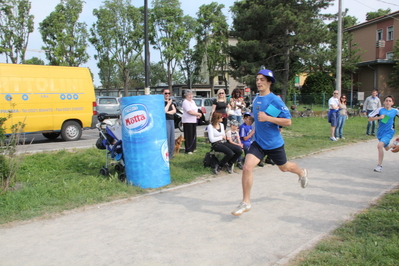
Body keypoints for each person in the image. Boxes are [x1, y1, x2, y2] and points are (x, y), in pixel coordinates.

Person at [231, 69, 308, 216]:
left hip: (273, 144)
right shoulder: (256, 99)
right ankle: (246, 202)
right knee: (247, 167)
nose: (258, 82)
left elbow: (288, 121)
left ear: (269, 82)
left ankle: (301, 172)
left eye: (262, 80)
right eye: (257, 79)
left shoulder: (275, 100)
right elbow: (258, 119)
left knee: (284, 168)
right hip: (258, 142)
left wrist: (268, 118)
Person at [368, 95, 399, 172]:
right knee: (386, 148)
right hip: (380, 132)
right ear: (384, 102)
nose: (388, 102)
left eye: (390, 101)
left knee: (380, 146)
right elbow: (370, 119)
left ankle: (379, 166)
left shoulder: (395, 111)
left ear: (392, 103)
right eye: (386, 100)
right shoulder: (379, 110)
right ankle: (394, 144)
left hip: (389, 132)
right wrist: (379, 117)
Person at [182, 90, 202, 154]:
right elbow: (189, 111)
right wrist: (198, 114)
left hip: (193, 120)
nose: (190, 96)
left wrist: (197, 115)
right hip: (187, 121)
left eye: (191, 94)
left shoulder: (193, 101)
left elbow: (195, 110)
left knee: (193, 134)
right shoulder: (185, 102)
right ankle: (188, 149)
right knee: (188, 135)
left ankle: (193, 148)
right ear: (186, 96)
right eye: (189, 95)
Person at [162, 88, 176, 159]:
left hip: (171, 120)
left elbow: (174, 111)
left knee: (172, 137)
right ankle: (166, 154)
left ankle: (171, 154)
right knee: (167, 137)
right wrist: (168, 104)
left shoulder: (171, 101)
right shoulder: (162, 102)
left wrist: (167, 112)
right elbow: (164, 110)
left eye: (169, 93)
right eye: (166, 93)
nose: (167, 94)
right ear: (163, 94)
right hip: (166, 120)